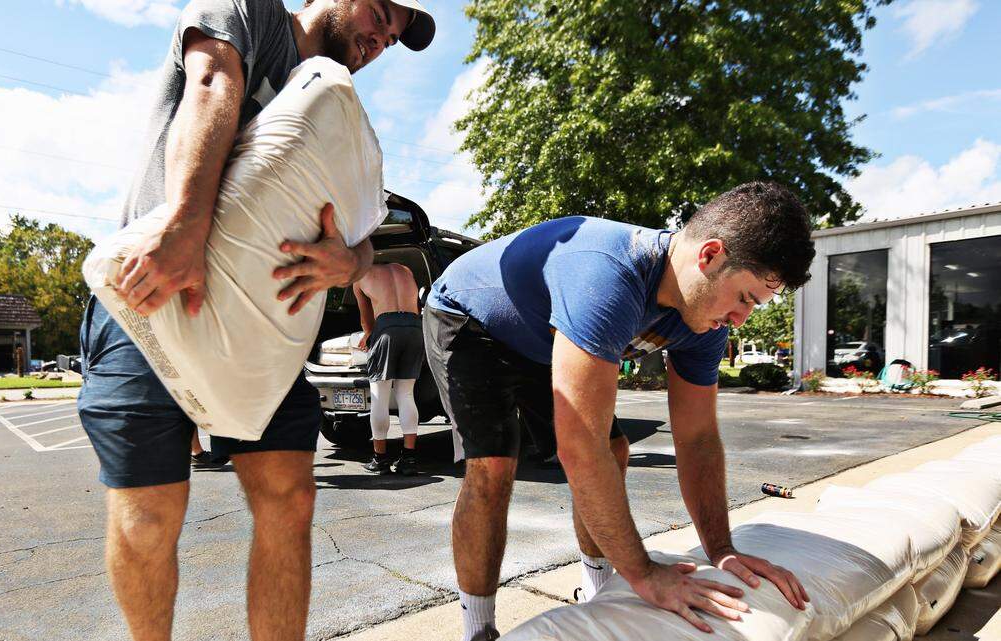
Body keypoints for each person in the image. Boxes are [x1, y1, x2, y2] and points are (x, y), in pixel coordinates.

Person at [76, 1, 435, 640]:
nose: (381, 38)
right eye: (380, 12)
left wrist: (346, 262)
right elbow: (213, 82)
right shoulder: (248, 12)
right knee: (151, 514)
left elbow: (364, 233)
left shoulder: (333, 110)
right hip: (154, 300)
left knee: (290, 501)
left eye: (393, 37)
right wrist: (186, 225)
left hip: (257, 335)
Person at [423, 182, 816, 640]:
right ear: (709, 256)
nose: (741, 319)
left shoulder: (706, 322)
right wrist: (644, 573)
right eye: (746, 298)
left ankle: (597, 590)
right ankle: (478, 628)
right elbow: (577, 448)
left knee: (614, 450)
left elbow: (698, 438)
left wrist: (722, 549)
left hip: (544, 333)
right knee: (493, 465)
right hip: (472, 318)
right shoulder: (611, 277)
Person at [352, 263, 424, 475]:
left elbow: (367, 321)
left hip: (387, 328)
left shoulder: (361, 274)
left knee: (379, 396)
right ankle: (409, 458)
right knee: (406, 394)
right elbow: (417, 307)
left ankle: (380, 459)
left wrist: (368, 335)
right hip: (414, 327)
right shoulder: (406, 270)